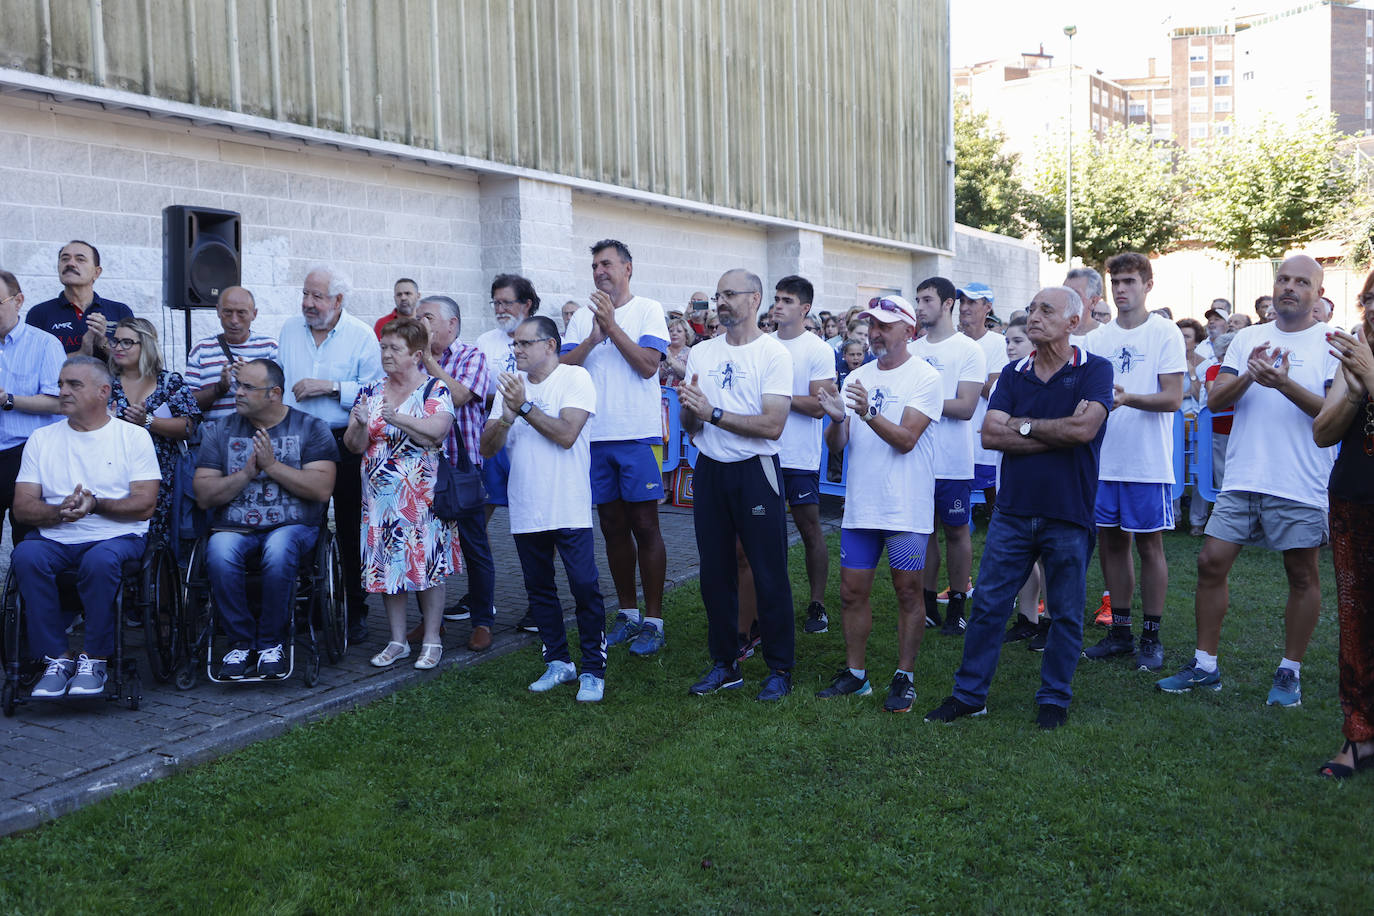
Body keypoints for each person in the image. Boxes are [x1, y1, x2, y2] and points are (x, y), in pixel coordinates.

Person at [924, 286, 1111, 730]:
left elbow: (1084, 430)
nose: (1034, 317)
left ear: (1072, 322)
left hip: (1069, 512)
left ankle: (1054, 698)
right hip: (1012, 512)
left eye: (1046, 310)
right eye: (1031, 309)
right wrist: (1053, 431)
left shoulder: (1094, 370)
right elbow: (990, 435)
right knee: (988, 605)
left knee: (1064, 611)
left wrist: (1021, 426)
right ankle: (970, 696)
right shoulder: (1013, 374)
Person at [1157, 256, 1337, 706]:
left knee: (1301, 573)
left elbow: (1332, 414)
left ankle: (1289, 672)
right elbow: (1217, 400)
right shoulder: (1249, 339)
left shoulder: (1333, 342)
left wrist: (1282, 384)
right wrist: (1252, 379)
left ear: (1318, 292)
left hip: (1300, 479)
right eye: (1282, 280)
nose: (1289, 288)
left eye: (1301, 282)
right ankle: (1204, 666)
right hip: (1243, 475)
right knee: (1210, 562)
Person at [815, 295, 941, 712]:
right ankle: (856, 674)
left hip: (905, 507)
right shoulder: (858, 376)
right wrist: (836, 419)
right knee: (851, 593)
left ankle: (904, 675)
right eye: (871, 325)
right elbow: (839, 445)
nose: (875, 333)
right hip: (862, 506)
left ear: (909, 330)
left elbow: (906, 440)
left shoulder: (925, 376)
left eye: (885, 326)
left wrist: (867, 413)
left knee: (908, 592)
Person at [678, 269, 794, 701]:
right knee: (714, 573)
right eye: (717, 294)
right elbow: (692, 422)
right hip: (711, 469)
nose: (721, 301)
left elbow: (773, 425)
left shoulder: (773, 354)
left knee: (768, 572)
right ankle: (725, 663)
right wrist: (690, 410)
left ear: (755, 299)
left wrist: (712, 414)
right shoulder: (702, 354)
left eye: (730, 294)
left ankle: (780, 667)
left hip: (755, 471)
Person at [13, 356, 159, 698]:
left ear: (103, 391)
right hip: (57, 536)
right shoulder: (41, 438)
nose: (62, 391)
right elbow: (22, 506)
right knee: (27, 555)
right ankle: (56, 659)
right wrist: (58, 511)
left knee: (100, 561)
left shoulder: (133, 437)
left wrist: (96, 504)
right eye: (61, 384)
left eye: (73, 385)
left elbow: (145, 504)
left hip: (117, 536)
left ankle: (95, 658)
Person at [480, 316, 606, 701]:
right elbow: (487, 448)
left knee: (584, 587)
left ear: (550, 345)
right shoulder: (511, 390)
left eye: (524, 344)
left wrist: (525, 407)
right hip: (526, 505)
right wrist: (505, 416)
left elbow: (567, 435)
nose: (516, 350)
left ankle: (593, 669)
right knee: (539, 590)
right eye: (514, 345)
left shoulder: (574, 379)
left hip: (567, 504)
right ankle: (558, 661)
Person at [192, 359, 338, 678]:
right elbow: (204, 495)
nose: (237, 393)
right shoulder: (220, 430)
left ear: (274, 393)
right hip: (234, 526)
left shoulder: (311, 428)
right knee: (217, 551)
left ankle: (272, 642)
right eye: (237, 385)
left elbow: (322, 489)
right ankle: (241, 643)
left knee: (279, 546)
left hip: (293, 526)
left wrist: (272, 466)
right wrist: (246, 474)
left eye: (247, 387)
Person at [561, 240, 671, 656]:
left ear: (628, 268)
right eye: (593, 265)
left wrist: (612, 325)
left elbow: (647, 366)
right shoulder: (582, 319)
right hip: (594, 436)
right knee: (612, 527)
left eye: (606, 263)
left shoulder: (648, 308)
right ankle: (627, 612)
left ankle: (654, 620)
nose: (599, 271)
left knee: (646, 526)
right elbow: (561, 370)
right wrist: (591, 338)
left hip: (636, 435)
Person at [1080, 252, 1184, 672]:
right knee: (1110, 543)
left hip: (1146, 461)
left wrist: (1126, 398)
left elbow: (1173, 398)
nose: (1121, 289)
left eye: (1129, 281)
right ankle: (1120, 631)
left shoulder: (1165, 332)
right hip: (1104, 460)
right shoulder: (1098, 339)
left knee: (1149, 545)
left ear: (1147, 285)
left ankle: (1151, 635)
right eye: (1116, 282)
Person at [344, 319, 460, 670]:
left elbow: (436, 433)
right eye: (384, 347)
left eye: (395, 348)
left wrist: (396, 419)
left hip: (421, 500)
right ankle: (397, 641)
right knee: (388, 569)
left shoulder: (434, 390)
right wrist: (362, 425)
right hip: (379, 501)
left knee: (426, 566)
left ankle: (432, 639)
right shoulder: (370, 391)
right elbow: (353, 446)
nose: (387, 354)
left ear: (416, 355)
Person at [279, 264, 383, 642]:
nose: (308, 302)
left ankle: (354, 610)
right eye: (305, 293)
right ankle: (310, 604)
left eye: (317, 296)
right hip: (298, 440)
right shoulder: (290, 329)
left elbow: (375, 391)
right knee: (303, 522)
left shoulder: (360, 335)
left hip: (346, 439)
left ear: (338, 300)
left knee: (353, 526)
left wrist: (331, 387)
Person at [1313, 283, 1374, 778]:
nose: (1372, 307)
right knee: (1356, 625)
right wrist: (1354, 392)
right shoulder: (1356, 357)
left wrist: (1370, 377)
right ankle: (1358, 736)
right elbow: (1322, 432)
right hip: (1353, 502)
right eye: (1369, 298)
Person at [414, 295, 497, 652]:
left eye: (427, 317)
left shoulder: (470, 355)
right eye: (417, 318)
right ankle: (431, 623)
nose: (421, 324)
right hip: (421, 464)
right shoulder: (411, 357)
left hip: (462, 465)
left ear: (452, 323)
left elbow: (460, 395)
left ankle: (482, 621)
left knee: (474, 544)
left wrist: (428, 360)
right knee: (423, 546)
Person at [909, 277, 986, 637]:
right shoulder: (912, 349)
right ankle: (925, 605)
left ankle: (957, 604)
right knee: (923, 534)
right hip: (916, 458)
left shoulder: (968, 350)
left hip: (953, 459)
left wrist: (919, 406)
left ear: (947, 304)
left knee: (956, 531)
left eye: (927, 300)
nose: (920, 306)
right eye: (918, 300)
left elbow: (967, 406)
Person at [761, 275, 835, 634]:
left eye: (787, 300)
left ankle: (817, 604)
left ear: (804, 308)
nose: (778, 305)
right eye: (776, 298)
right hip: (763, 451)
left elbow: (820, 406)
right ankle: (769, 605)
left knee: (809, 528)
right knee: (764, 532)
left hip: (799, 457)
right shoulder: (762, 345)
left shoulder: (817, 349)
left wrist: (779, 399)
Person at [471, 275, 539, 631]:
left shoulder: (542, 337)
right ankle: (478, 595)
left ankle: (536, 601)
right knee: (476, 519)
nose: (499, 309)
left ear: (526, 305)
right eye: (495, 303)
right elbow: (476, 389)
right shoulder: (486, 341)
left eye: (506, 302)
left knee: (532, 525)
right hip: (495, 436)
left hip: (532, 440)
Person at [107, 317, 201, 545]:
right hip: (114, 475)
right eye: (115, 341)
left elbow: (189, 426)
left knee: (161, 542)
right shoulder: (106, 384)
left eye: (127, 342)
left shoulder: (169, 382)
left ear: (146, 345)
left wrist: (148, 420)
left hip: (162, 477)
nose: (118, 347)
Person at [0, 269, 64, 548]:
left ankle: (24, 593)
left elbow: (61, 402)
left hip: (25, 454)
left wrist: (8, 400)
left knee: (27, 542)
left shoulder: (45, 344)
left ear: (18, 300)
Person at [184, 286, 279, 423]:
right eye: (228, 312)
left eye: (241, 313)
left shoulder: (270, 348)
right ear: (218, 311)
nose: (234, 320)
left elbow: (279, 401)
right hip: (212, 441)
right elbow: (187, 405)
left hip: (256, 440)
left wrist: (252, 379)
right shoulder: (201, 350)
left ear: (254, 314)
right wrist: (219, 389)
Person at [25, 240, 133, 357]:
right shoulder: (39, 313)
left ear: (96, 273)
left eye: (80, 259)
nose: (70, 263)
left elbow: (134, 360)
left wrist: (102, 341)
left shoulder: (120, 311)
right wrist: (81, 353)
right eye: (65, 259)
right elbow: (32, 364)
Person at [957, 282, 1007, 513]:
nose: (964, 307)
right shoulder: (952, 343)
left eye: (971, 302)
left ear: (987, 307)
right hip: (955, 440)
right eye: (962, 301)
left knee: (996, 507)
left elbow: (994, 390)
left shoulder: (998, 344)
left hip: (983, 439)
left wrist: (963, 382)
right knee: (951, 513)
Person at [1177, 318, 1211, 536]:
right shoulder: (1167, 360)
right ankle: (1174, 517)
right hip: (1173, 421)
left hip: (1198, 422)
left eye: (1187, 336)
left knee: (1199, 471)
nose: (1182, 340)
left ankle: (1197, 520)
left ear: (1197, 340)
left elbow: (1203, 396)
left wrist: (1191, 373)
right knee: (1174, 468)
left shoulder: (1205, 364)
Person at [1065, 268, 1105, 338]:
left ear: (1093, 301)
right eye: (1063, 293)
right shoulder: (1051, 335)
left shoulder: (1106, 336)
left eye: (1074, 295)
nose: (1065, 299)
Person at [659, 317, 695, 388]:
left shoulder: (692, 353)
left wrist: (670, 361)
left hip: (681, 395)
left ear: (687, 335)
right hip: (660, 392)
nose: (674, 333)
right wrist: (664, 367)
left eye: (679, 331)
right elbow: (653, 377)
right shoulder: (661, 351)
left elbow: (689, 375)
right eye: (671, 331)